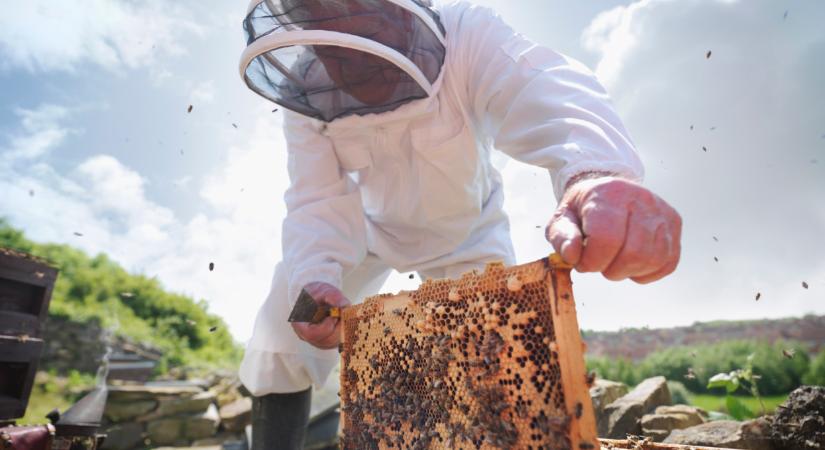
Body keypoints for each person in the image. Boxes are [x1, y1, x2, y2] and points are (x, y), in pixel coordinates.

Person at [237, 0, 682, 448]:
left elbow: (542, 84)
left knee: (493, 360)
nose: (352, 67)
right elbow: (315, 198)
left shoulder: (468, 33)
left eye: (364, 33)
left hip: (468, 236)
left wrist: (595, 173)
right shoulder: (304, 88)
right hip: (368, 236)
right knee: (281, 324)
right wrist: (316, 277)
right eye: (335, 54)